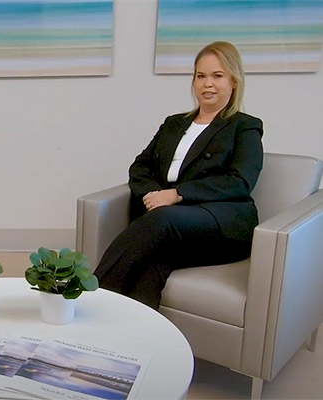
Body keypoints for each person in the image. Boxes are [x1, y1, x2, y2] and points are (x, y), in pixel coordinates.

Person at [94, 41, 263, 310]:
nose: (208, 84)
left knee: (161, 220)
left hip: (220, 224)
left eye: (217, 76)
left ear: (234, 81)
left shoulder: (244, 126)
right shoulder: (174, 123)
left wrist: (175, 195)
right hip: (168, 222)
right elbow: (140, 167)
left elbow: (240, 182)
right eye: (201, 76)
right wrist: (152, 195)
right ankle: (136, 341)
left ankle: (89, 298)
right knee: (152, 264)